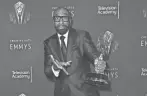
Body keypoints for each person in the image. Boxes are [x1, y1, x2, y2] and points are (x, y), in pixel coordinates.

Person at [44, 7, 107, 96]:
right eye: (57, 18)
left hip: (84, 92)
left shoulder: (81, 36)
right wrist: (55, 68)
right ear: (53, 21)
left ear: (70, 20)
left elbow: (93, 54)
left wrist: (98, 62)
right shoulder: (49, 43)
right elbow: (47, 71)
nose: (61, 22)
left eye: (64, 18)